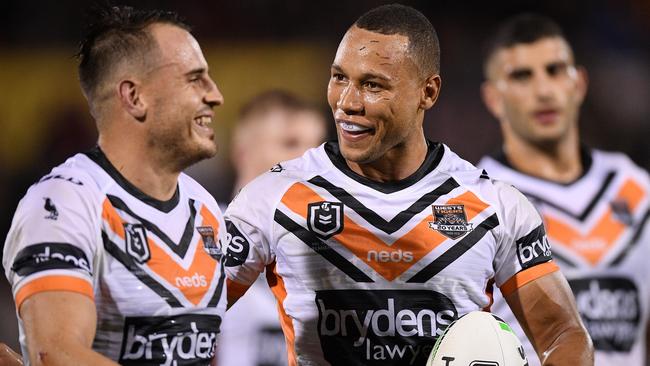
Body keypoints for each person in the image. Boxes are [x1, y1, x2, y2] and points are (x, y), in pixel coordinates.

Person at [222, 4, 593, 366]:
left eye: (372, 85)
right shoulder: (273, 198)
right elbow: (189, 315)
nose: (347, 103)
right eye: (339, 78)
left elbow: (563, 335)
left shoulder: (496, 207)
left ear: (427, 93)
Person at [2, 5, 228, 365]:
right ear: (134, 97)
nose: (215, 95)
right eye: (194, 78)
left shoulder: (204, 208)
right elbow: (58, 353)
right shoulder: (64, 202)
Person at [478, 13, 650, 366]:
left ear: (579, 83)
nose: (544, 90)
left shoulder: (636, 189)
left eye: (555, 70)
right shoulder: (477, 201)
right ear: (494, 98)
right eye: (521, 76)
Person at [217, 90, 327, 366]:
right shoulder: (202, 233)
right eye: (290, 143)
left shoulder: (337, 251)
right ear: (242, 151)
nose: (308, 160)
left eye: (317, 147)